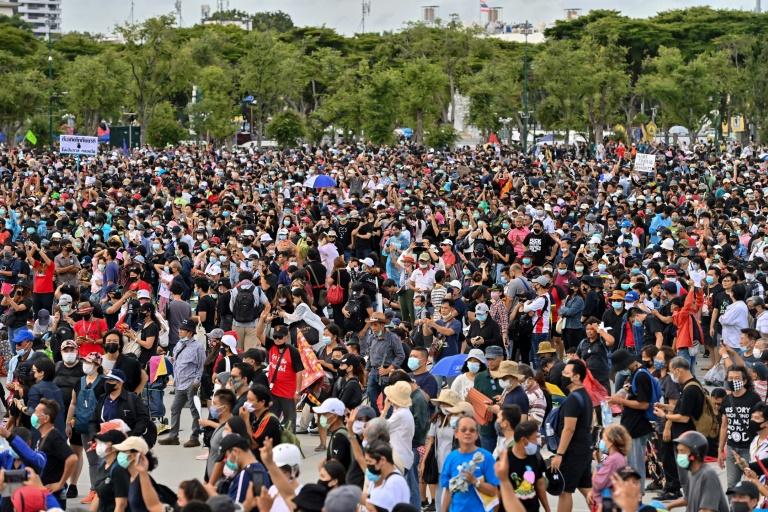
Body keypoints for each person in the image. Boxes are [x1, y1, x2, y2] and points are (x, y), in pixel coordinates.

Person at [608, 348, 655, 492]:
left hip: (637, 427)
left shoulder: (641, 376)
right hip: (631, 426)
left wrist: (620, 401)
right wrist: (619, 396)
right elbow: (629, 391)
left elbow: (643, 404)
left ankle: (637, 495)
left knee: (635, 464)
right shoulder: (635, 374)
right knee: (630, 463)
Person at [550, 359, 593, 512]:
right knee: (586, 488)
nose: (562, 376)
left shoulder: (573, 400)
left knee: (564, 490)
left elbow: (569, 429)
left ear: (576, 377)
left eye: (566, 373)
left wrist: (559, 454)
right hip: (585, 448)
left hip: (573, 451)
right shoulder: (584, 395)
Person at [159, 318, 205, 447]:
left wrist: (197, 380)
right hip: (179, 383)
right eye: (180, 329)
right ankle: (174, 436)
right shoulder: (179, 344)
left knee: (194, 410)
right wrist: (169, 358)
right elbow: (177, 360)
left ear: (190, 332)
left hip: (191, 382)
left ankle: (194, 437)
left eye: (183, 330)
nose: (179, 331)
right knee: (175, 408)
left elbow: (201, 366)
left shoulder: (198, 347)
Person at [439, 415, 499, 512]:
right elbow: (447, 491)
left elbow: (494, 491)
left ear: (477, 435)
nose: (468, 433)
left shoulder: (486, 457)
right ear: (456, 434)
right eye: (463, 430)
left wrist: (475, 481)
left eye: (472, 430)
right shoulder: (451, 458)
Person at [717, 364, 761, 488]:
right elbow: (724, 426)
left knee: (751, 485)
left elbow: (760, 423)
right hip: (732, 448)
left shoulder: (753, 398)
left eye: (737, 378)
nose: (733, 381)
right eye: (730, 378)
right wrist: (720, 450)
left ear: (745, 380)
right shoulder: (726, 400)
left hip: (750, 448)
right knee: (732, 485)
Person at [665, 431, 728, 512]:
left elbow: (707, 510)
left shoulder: (708, 475)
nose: (679, 455)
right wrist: (668, 506)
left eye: (682, 451)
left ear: (695, 454)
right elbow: (688, 498)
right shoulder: (692, 472)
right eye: (678, 451)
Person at [32, 398, 77, 508]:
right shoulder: (42, 437)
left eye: (37, 412)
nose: (33, 414)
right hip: (44, 492)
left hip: (54, 495)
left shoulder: (54, 436)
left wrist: (61, 483)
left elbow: (72, 458)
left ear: (46, 418)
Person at [265, 325, 304, 432]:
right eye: (275, 337)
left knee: (289, 421)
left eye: (280, 337)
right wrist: (264, 320)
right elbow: (259, 334)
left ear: (286, 337)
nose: (277, 339)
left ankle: (291, 445)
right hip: (273, 391)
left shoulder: (293, 351)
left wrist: (298, 391)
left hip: (288, 393)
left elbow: (299, 372)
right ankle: (273, 443)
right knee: (272, 419)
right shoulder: (271, 345)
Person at [505, 420, 549, 512]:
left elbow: (540, 484)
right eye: (534, 439)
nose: (537, 442)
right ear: (524, 440)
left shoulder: (536, 457)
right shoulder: (505, 461)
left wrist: (547, 509)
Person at [590, 424, 631, 510]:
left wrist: (595, 472)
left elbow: (599, 482)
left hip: (605, 502)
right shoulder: (620, 457)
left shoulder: (612, 460)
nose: (603, 440)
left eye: (604, 438)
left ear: (611, 441)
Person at [89, 428, 129, 512]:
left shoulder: (119, 469)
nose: (99, 445)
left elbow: (121, 504)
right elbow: (98, 494)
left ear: (114, 447)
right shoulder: (103, 465)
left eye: (103, 442)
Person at [366, 441, 411, 512]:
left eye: (370, 461)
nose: (368, 465)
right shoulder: (383, 479)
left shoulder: (394, 482)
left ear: (383, 460)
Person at [313, 397, 351, 468]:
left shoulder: (339, 437)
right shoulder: (338, 433)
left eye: (324, 414)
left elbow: (334, 468)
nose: (321, 417)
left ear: (335, 416)